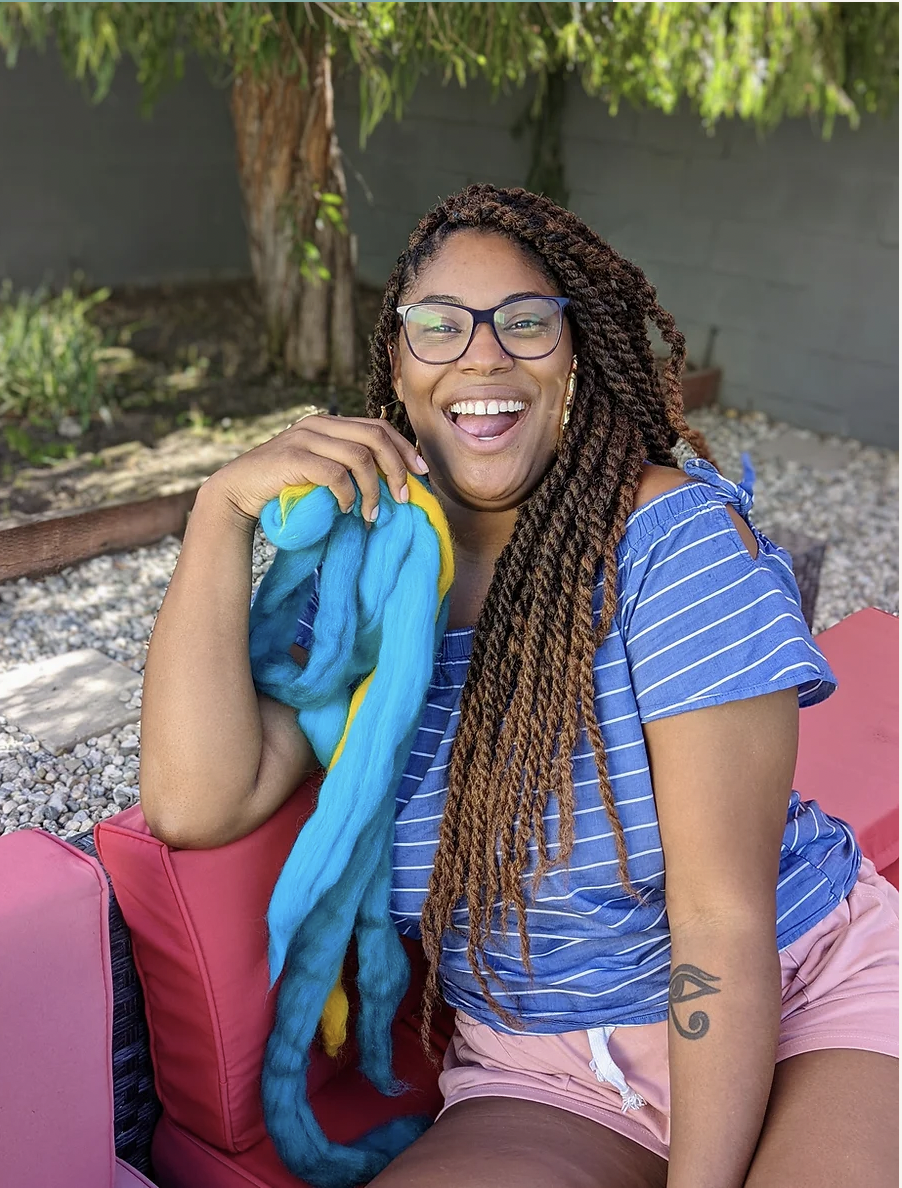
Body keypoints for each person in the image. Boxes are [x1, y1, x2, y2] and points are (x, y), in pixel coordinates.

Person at [140, 185, 898, 1188]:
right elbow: (195, 802)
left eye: (525, 324)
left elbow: (719, 918)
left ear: (575, 358)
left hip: (799, 1002)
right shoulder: (370, 584)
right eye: (439, 328)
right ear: (399, 372)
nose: (482, 357)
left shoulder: (670, 548)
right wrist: (218, 514)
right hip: (542, 1066)